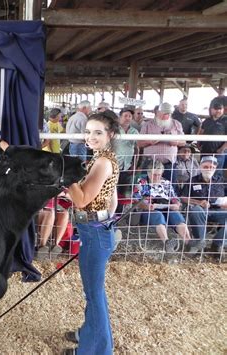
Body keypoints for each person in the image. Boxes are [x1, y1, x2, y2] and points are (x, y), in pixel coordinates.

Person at [63, 111, 120, 355]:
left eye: (98, 132)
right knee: (94, 292)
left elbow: (83, 198)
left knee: (94, 295)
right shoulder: (106, 159)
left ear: (110, 135)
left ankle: (96, 350)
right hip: (98, 229)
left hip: (94, 233)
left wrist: (67, 179)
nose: (91, 136)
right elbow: (112, 201)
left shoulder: (101, 162)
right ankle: (87, 334)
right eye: (88, 131)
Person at [134, 160, 191, 252]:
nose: (157, 177)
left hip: (167, 208)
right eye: (154, 175)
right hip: (149, 211)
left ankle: (189, 243)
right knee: (158, 215)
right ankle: (166, 243)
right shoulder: (141, 183)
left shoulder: (166, 183)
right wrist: (146, 206)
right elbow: (136, 200)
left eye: (159, 175)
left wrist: (176, 203)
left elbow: (174, 197)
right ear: (148, 173)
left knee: (176, 215)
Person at [182, 156, 227, 254]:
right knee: (195, 210)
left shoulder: (221, 181)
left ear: (215, 168)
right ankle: (199, 244)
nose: (209, 169)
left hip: (219, 211)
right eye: (206, 166)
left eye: (211, 167)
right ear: (200, 167)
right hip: (200, 210)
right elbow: (183, 198)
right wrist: (199, 202)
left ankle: (217, 244)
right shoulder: (192, 180)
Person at [138, 102, 185, 184]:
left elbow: (183, 142)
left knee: (170, 191)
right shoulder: (147, 125)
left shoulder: (177, 124)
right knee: (145, 188)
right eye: (163, 114)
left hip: (169, 164)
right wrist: (150, 142)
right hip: (150, 164)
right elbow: (139, 143)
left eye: (167, 114)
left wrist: (176, 142)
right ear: (157, 112)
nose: (165, 116)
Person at [198, 98, 227, 180]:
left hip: (218, 153)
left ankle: (216, 192)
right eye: (215, 109)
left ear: (223, 110)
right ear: (211, 109)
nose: (218, 111)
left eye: (220, 109)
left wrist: (222, 148)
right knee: (203, 173)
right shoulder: (207, 121)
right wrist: (198, 144)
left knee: (217, 174)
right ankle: (203, 192)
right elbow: (201, 132)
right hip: (205, 151)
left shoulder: (226, 121)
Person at [115, 107, 139, 171]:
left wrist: (134, 165)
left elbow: (136, 148)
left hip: (128, 166)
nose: (128, 118)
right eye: (125, 116)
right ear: (120, 117)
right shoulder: (114, 130)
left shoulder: (135, 132)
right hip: (113, 165)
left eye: (130, 116)